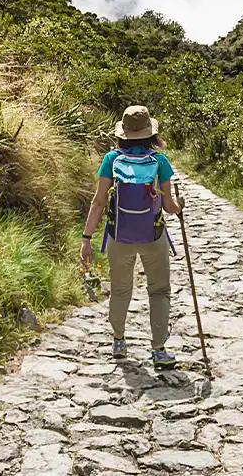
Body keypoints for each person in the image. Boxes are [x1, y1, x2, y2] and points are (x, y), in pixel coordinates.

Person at [80, 104, 182, 368]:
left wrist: (86, 237)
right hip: (153, 235)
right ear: (150, 133)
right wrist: (179, 205)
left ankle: (118, 342)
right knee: (159, 291)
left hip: (119, 235)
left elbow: (99, 201)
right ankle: (159, 349)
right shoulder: (160, 161)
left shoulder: (111, 160)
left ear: (123, 133)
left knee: (121, 290)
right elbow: (169, 207)